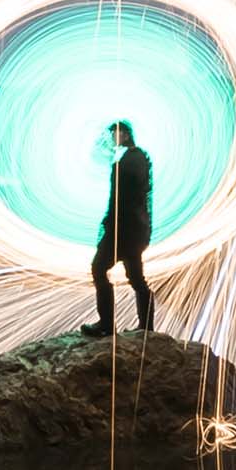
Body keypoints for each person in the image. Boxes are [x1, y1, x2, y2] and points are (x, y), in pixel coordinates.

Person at [84, 119, 153, 336]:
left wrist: (110, 223)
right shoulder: (136, 157)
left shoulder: (133, 159)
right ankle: (146, 328)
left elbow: (124, 197)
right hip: (131, 228)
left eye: (114, 134)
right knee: (136, 278)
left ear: (123, 134)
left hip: (124, 230)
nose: (111, 139)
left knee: (99, 269)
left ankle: (107, 325)